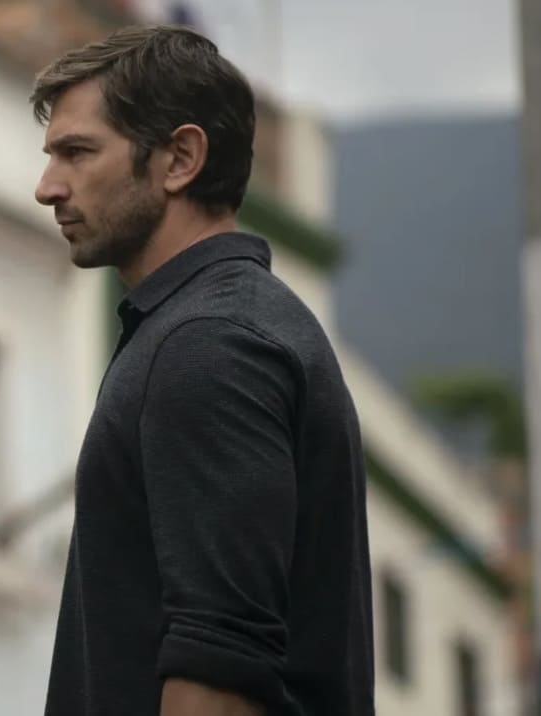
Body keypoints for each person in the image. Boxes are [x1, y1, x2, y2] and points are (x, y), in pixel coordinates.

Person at [31, 25, 374, 716]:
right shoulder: (212, 326)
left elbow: (220, 673)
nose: (47, 188)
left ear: (180, 159)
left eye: (78, 152)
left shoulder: (210, 345)